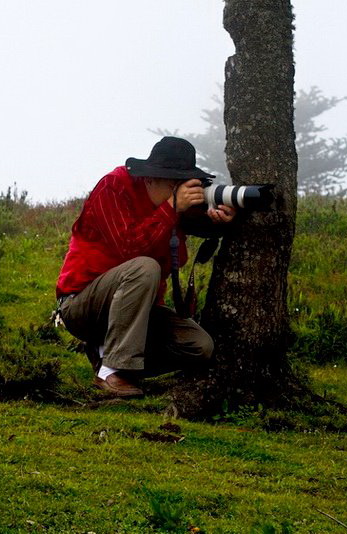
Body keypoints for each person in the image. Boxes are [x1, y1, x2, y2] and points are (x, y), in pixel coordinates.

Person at [56, 136, 236, 398]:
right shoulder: (113, 187)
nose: (181, 191)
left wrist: (221, 220)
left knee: (200, 347)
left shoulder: (172, 207)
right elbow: (130, 248)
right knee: (144, 267)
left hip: (138, 310)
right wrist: (172, 207)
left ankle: (117, 359)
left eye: (184, 184)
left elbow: (191, 232)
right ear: (150, 178)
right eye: (174, 183)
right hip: (81, 305)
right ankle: (111, 371)